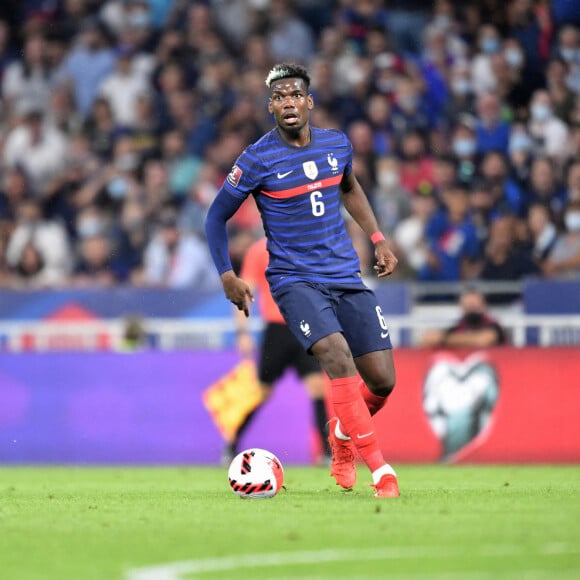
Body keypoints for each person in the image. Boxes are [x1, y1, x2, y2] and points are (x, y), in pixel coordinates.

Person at [205, 63, 400, 498]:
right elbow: (215, 216)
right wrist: (227, 275)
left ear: (308, 101)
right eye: (279, 97)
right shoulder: (256, 158)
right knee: (335, 357)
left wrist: (378, 238)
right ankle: (381, 470)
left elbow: (350, 188)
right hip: (295, 281)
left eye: (295, 95)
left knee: (383, 381)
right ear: (270, 106)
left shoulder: (337, 145)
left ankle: (343, 434)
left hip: (344, 275)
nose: (288, 102)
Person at [225, 236, 332, 466]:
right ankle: (231, 444)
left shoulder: (305, 245)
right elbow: (244, 292)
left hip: (304, 327)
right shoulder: (258, 250)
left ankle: (326, 452)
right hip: (277, 331)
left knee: (317, 387)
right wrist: (242, 332)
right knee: (262, 392)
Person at [420, 287, 507, 349]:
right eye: (468, 306)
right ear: (462, 307)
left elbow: (482, 340)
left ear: (484, 306)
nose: (472, 310)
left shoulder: (492, 325)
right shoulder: (460, 326)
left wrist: (444, 339)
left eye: (474, 306)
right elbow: (427, 339)